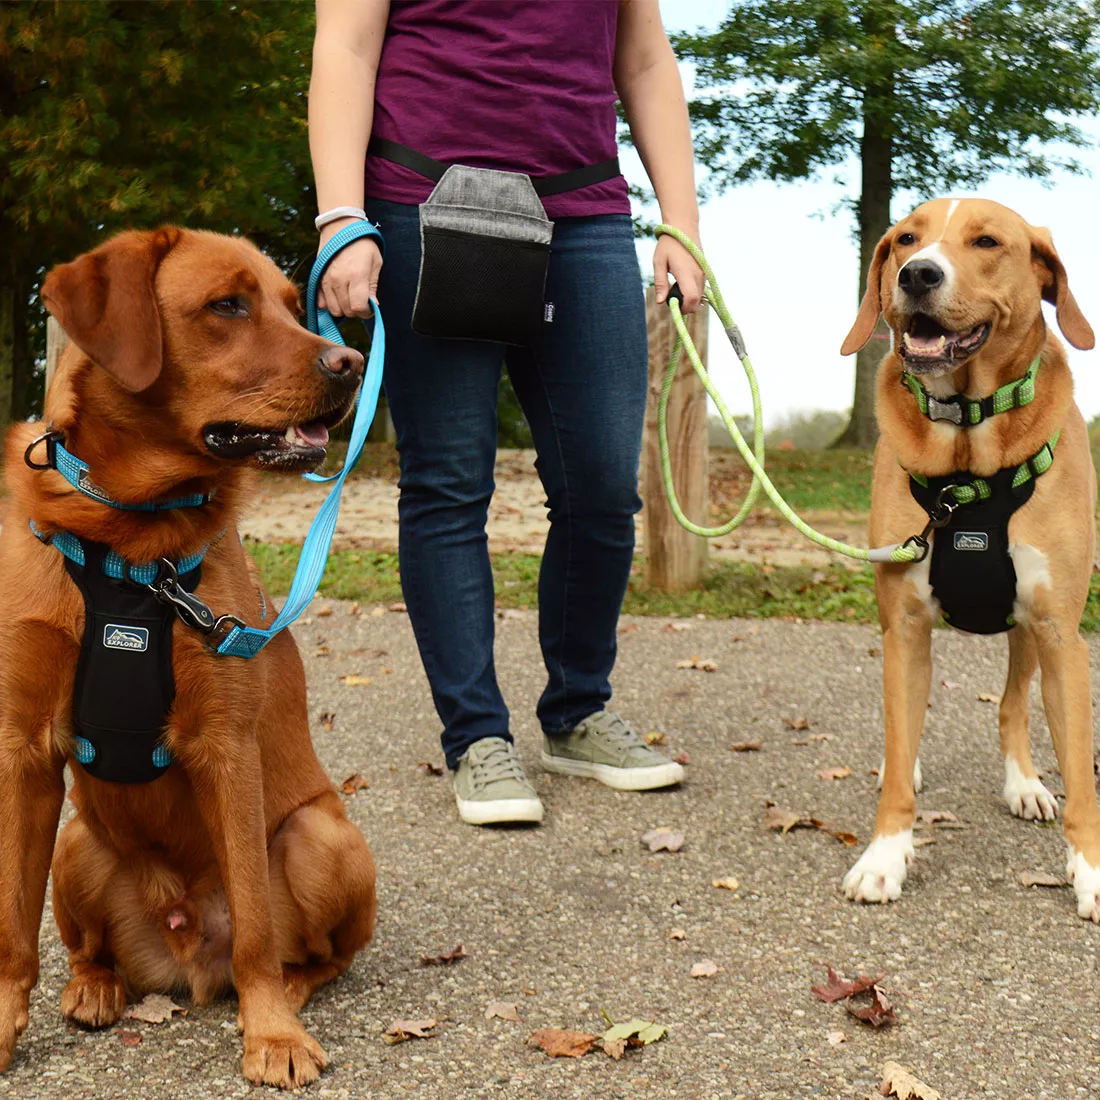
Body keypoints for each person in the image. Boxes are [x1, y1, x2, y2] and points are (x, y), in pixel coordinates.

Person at [309, 0, 705, 826]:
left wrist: (680, 220)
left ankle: (577, 713)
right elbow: (345, 45)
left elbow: (643, 61)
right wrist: (342, 218)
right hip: (426, 200)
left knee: (601, 484)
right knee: (449, 481)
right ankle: (476, 738)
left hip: (586, 214)